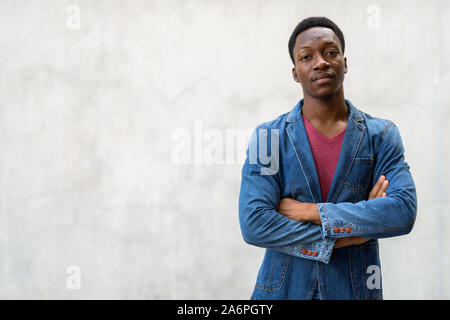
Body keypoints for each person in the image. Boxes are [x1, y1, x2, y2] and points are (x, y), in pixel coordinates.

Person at [238, 16, 417, 300]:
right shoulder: (267, 138)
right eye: (306, 57)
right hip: (283, 292)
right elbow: (255, 223)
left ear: (345, 63)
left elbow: (402, 212)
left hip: (355, 291)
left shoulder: (381, 135)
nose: (321, 62)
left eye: (331, 52)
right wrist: (347, 236)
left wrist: (311, 212)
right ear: (295, 72)